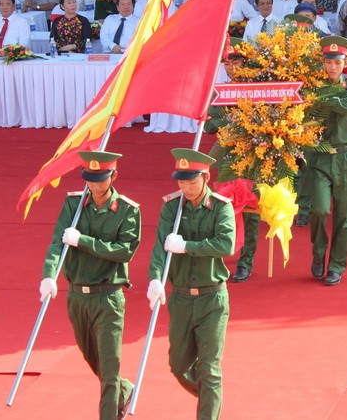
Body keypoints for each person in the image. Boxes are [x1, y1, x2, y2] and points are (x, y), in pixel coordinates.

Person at [39, 151, 139, 420]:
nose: (94, 185)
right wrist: (49, 274)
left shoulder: (128, 211)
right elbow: (57, 242)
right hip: (77, 296)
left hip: (107, 297)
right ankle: (125, 389)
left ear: (113, 176)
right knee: (91, 357)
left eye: (100, 179)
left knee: (108, 369)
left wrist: (83, 241)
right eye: (89, 179)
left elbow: (124, 251)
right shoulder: (74, 205)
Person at [146, 149, 234, 420]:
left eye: (191, 182)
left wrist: (187, 246)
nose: (185, 188)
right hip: (181, 298)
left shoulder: (221, 206)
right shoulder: (172, 207)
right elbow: (160, 247)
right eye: (181, 183)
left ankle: (209, 407)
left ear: (206, 177)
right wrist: (155, 278)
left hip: (212, 298)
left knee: (209, 367)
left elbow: (226, 244)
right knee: (178, 364)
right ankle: (211, 394)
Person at [308, 35, 347, 286]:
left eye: (337, 63)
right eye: (328, 63)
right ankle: (318, 254)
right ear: (323, 63)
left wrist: (324, 100)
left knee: (344, 217)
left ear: (345, 64)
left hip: (345, 157)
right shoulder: (312, 86)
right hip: (319, 157)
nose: (332, 68)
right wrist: (329, 101)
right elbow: (307, 109)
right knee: (319, 209)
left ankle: (337, 265)